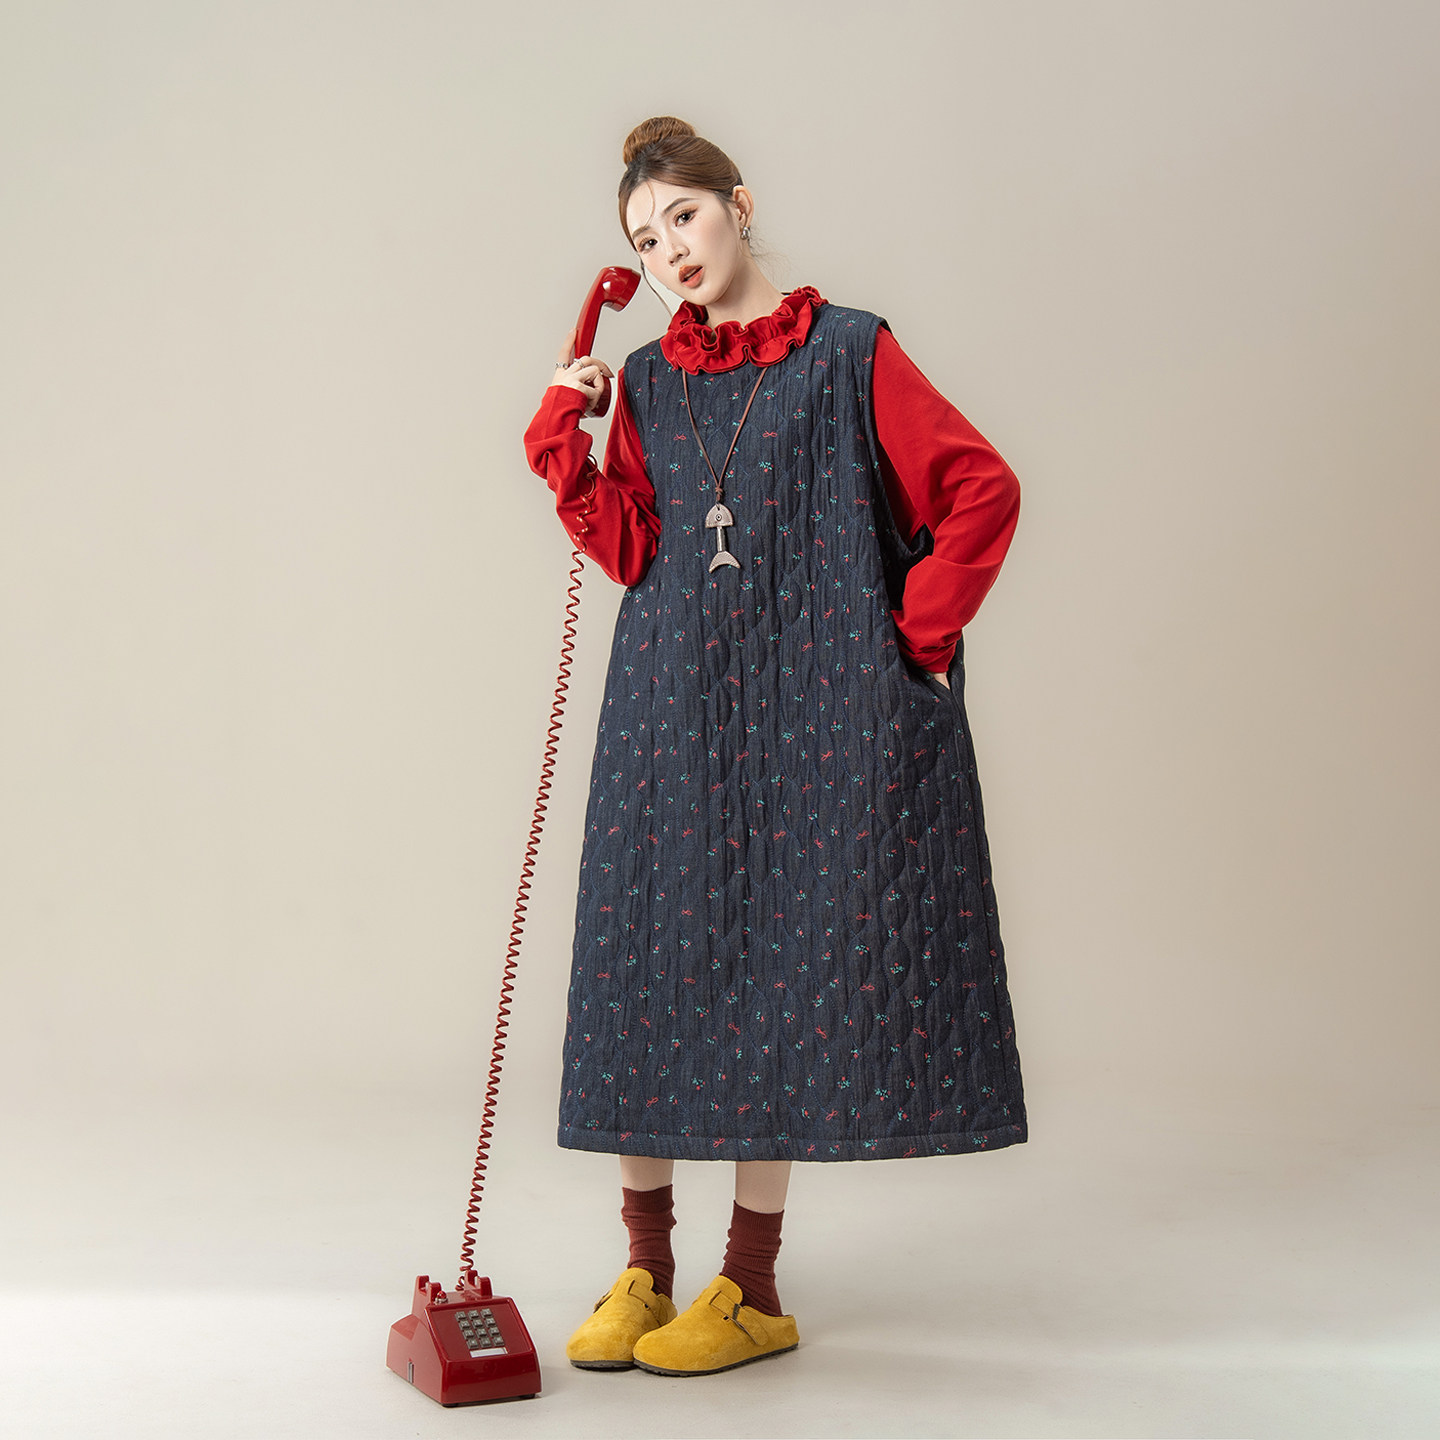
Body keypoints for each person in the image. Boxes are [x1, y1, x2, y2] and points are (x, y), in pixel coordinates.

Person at [522, 115, 1027, 1379]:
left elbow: (981, 489)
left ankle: (748, 1286)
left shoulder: (851, 351)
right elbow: (634, 549)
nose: (670, 251)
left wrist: (911, 637)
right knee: (646, 968)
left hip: (814, 719)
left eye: (683, 217)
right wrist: (563, 440)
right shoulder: (646, 380)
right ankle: (644, 1270)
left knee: (782, 981)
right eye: (645, 241)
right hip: (671, 715)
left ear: (737, 205)